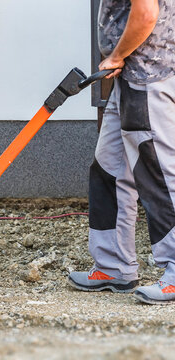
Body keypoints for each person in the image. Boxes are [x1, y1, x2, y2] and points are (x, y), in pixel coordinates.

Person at [68, 0, 175, 304]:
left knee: (159, 175)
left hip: (147, 76)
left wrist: (117, 55)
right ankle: (113, 264)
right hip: (129, 77)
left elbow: (145, 13)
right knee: (108, 170)